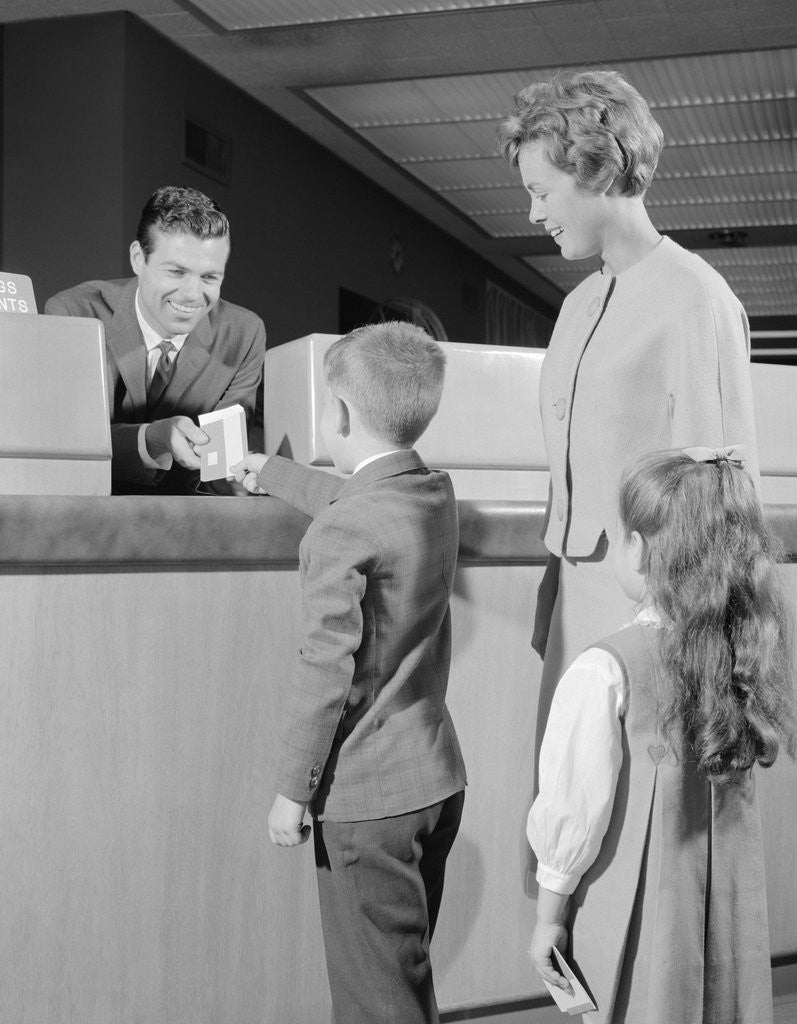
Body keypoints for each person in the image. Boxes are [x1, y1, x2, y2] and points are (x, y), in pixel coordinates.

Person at [497, 69, 761, 763]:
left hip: (651, 616)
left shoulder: (694, 300)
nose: (532, 215)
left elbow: (719, 507)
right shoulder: (577, 305)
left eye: (540, 192)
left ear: (596, 171)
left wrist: (702, 651)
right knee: (562, 819)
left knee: (623, 827)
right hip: (570, 601)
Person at [232, 322, 467, 1024]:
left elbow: (323, 670)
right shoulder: (432, 492)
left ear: (337, 415)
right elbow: (364, 501)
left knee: (372, 1003)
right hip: (433, 782)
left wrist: (290, 791)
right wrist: (269, 472)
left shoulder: (341, 532)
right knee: (401, 976)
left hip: (367, 803)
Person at [527, 447, 795, 1024]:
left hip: (644, 910)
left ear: (641, 550)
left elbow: (577, 807)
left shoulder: (605, 669)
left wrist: (550, 915)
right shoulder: (746, 656)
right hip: (728, 918)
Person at [45, 185, 265, 494]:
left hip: (188, 521)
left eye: (209, 277)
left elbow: (223, 472)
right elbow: (64, 444)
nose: (192, 295)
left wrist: (250, 478)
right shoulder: (74, 313)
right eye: (176, 272)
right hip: (85, 510)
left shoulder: (243, 333)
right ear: (138, 258)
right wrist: (150, 439)